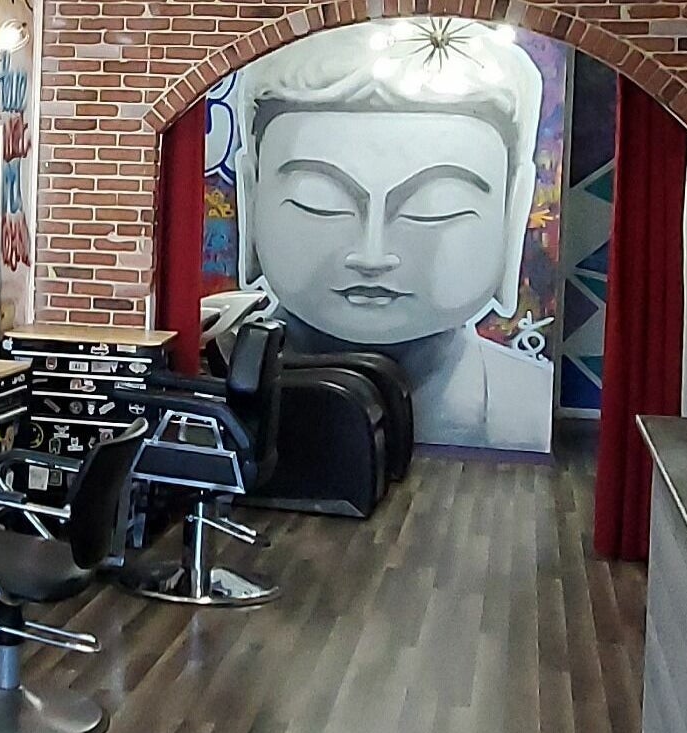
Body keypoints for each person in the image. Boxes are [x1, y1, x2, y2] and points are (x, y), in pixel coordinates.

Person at [234, 18, 556, 454]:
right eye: (318, 201)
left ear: (513, 211)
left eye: (435, 208)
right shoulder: (219, 375)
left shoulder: (531, 410)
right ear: (252, 197)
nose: (373, 254)